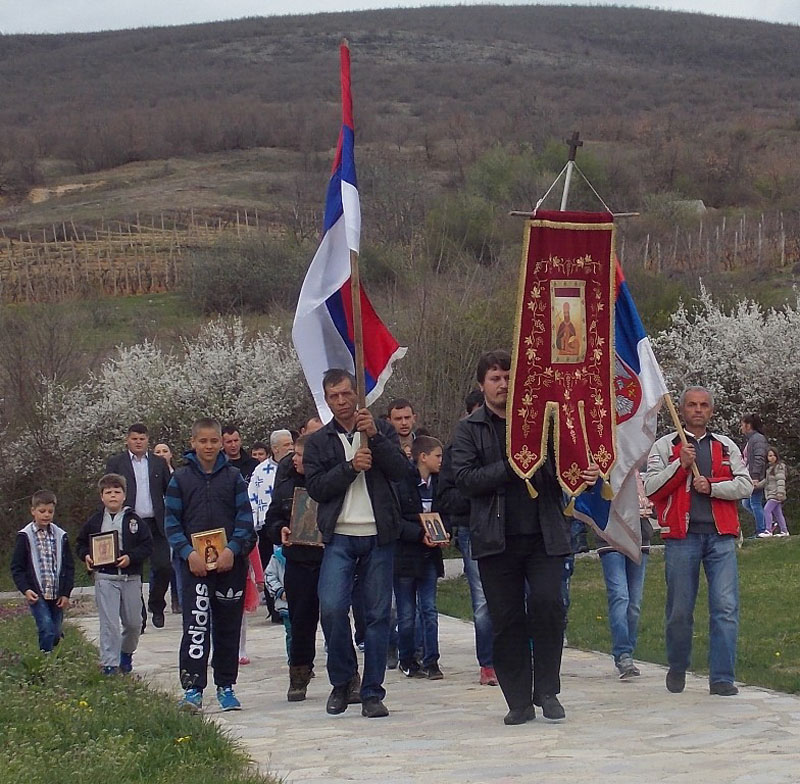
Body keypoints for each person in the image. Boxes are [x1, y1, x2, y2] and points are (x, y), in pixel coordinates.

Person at [450, 349, 599, 725]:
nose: (502, 384)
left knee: (550, 607)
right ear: (481, 385)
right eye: (495, 378)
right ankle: (518, 699)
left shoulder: (541, 422)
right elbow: (465, 480)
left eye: (507, 377)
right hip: (495, 539)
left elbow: (564, 466)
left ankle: (547, 689)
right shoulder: (470, 429)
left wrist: (584, 471)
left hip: (545, 534)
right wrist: (513, 466)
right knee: (507, 619)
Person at [303, 368, 409, 719]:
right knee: (332, 608)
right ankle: (343, 680)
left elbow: (401, 472)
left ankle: (373, 692)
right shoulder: (320, 441)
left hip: (378, 535)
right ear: (327, 400)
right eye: (334, 396)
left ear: (357, 394)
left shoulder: (380, 430)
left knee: (377, 615)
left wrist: (375, 438)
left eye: (347, 394)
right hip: (340, 536)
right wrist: (350, 468)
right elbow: (317, 488)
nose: (342, 402)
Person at [645, 386, 752, 697]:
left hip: (721, 537)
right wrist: (679, 465)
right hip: (682, 538)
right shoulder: (665, 446)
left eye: (704, 405)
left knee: (726, 607)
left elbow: (745, 485)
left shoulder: (725, 445)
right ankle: (678, 665)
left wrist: (713, 487)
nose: (698, 410)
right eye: (691, 405)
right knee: (679, 609)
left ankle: (721, 677)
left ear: (711, 411)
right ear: (681, 410)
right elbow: (652, 488)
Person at [165, 417, 256, 712]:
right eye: (202, 441)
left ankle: (226, 686)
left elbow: (245, 519)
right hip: (195, 568)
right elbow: (171, 524)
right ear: (193, 443)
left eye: (213, 441)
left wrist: (232, 548)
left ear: (221, 443)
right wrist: (187, 553)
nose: (208, 446)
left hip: (230, 565)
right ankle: (192, 688)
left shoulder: (233, 478)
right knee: (196, 625)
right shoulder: (180, 479)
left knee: (228, 627)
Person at [438, 389, 498, 686]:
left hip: (506, 523)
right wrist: (475, 496)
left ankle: (521, 654)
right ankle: (487, 662)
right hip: (473, 526)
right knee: (483, 598)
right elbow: (447, 493)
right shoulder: (456, 448)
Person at [265, 433, 327, 702]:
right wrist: (281, 529)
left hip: (328, 560)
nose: (295, 460)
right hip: (298, 561)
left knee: (336, 618)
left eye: (300, 455)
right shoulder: (285, 486)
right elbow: (271, 521)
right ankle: (299, 674)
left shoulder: (328, 484)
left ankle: (347, 676)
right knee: (301, 621)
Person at [76, 473, 154, 674]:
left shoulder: (134, 520)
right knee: (109, 623)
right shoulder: (95, 521)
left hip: (130, 577)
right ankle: (109, 664)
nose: (112, 496)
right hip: (105, 577)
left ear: (124, 496)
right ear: (102, 497)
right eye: (108, 492)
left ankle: (126, 653)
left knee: (134, 623)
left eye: (116, 492)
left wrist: (131, 557)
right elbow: (81, 543)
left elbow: (147, 545)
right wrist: (86, 556)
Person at [106, 423, 171, 628]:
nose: (138, 442)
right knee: (134, 571)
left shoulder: (158, 463)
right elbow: (108, 490)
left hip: (156, 522)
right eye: (134, 438)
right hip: (130, 523)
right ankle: (139, 614)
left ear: (147, 440)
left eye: (142, 438)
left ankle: (157, 605)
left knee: (163, 566)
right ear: (128, 439)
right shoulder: (117, 463)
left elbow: (170, 490)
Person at [394, 435, 448, 680]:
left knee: (429, 609)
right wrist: (419, 534)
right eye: (437, 455)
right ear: (423, 457)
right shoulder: (402, 483)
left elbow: (446, 511)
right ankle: (407, 658)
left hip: (429, 556)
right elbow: (396, 521)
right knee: (406, 614)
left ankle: (432, 660)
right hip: (406, 557)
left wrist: (444, 533)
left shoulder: (440, 484)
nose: (441, 460)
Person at [596, 470, 652, 680]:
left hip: (639, 534)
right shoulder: (601, 460)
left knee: (634, 603)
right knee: (620, 596)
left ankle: (629, 649)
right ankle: (623, 655)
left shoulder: (640, 457)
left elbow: (654, 488)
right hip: (610, 535)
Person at [11, 489, 74, 652]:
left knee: (55, 632)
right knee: (46, 628)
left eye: (50, 512)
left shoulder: (60, 536)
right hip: (37, 593)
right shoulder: (25, 537)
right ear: (33, 511)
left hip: (57, 593)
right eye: (42, 511)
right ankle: (45, 662)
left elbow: (68, 566)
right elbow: (17, 567)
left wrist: (66, 592)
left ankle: (52, 652)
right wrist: (25, 589)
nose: (46, 515)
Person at [249, 428, 296, 622]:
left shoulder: (297, 466)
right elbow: (253, 495)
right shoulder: (261, 470)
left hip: (292, 524)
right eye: (286, 445)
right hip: (268, 527)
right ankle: (274, 607)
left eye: (292, 444)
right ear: (275, 448)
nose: (291, 448)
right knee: (271, 566)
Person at [154, 442, 183, 614]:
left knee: (178, 561)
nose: (162, 454)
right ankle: (158, 598)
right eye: (157, 452)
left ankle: (178, 598)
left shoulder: (178, 475)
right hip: (159, 523)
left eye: (165, 451)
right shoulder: (152, 475)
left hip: (176, 520)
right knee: (163, 564)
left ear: (171, 454)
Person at [740, 413, 769, 537]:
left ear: (748, 425)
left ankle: (762, 530)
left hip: (755, 476)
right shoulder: (752, 440)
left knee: (754, 503)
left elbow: (759, 458)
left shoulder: (757, 439)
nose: (741, 428)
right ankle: (767, 523)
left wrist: (755, 476)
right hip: (750, 476)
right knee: (746, 503)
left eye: (742, 425)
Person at [238, 539, 266, 665]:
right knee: (216, 619)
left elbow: (253, 551)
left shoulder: (246, 529)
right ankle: (217, 650)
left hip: (243, 577)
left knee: (241, 619)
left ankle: (241, 649)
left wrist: (260, 577)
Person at [265, 546, 292, 660]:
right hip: (286, 606)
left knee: (305, 635)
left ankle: (306, 663)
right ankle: (294, 662)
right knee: (291, 634)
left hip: (305, 604)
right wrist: (280, 591)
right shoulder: (278, 557)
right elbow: (269, 576)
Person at [764, 447, 789, 537]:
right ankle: (784, 530)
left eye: (774, 455)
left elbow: (781, 481)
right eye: (770, 456)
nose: (772, 457)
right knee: (778, 513)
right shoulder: (769, 469)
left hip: (776, 494)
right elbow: (766, 482)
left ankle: (768, 530)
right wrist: (756, 485)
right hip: (771, 493)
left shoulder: (779, 467)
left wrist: (780, 493)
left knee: (766, 510)